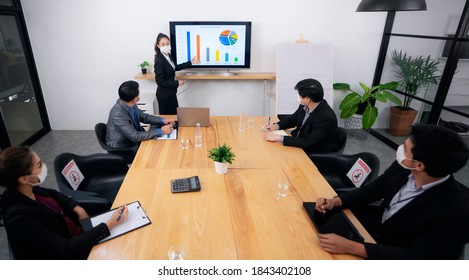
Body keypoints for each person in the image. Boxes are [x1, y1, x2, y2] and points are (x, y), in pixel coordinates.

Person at [315, 124, 469, 260]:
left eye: (405, 149)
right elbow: (371, 191)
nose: (399, 150)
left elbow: (417, 258)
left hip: (388, 253)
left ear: (419, 165)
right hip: (366, 231)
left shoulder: (458, 211)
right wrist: (336, 201)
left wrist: (352, 247)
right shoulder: (403, 167)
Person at [0, 146, 129, 259]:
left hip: (75, 234)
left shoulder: (29, 189)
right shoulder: (18, 216)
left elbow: (55, 194)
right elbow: (64, 249)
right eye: (39, 165)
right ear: (23, 179)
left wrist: (78, 208)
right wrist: (109, 225)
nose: (44, 166)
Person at [263, 78, 339, 154]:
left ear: (308, 99)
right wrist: (275, 126)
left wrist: (278, 137)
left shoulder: (326, 118)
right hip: (299, 144)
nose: (298, 97)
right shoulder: (305, 105)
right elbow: (292, 119)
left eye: (299, 95)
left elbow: (308, 143)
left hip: (313, 153)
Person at [106, 80, 175, 152]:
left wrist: (162, 120)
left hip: (133, 137)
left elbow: (143, 117)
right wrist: (161, 131)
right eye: (138, 95)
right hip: (123, 147)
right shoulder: (118, 115)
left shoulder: (128, 103)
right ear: (135, 99)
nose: (139, 97)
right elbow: (136, 136)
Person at [154, 33, 200, 114]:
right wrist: (177, 83)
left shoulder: (168, 56)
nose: (166, 46)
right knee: (168, 120)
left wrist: (190, 63)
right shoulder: (159, 61)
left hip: (171, 93)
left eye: (167, 44)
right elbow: (160, 82)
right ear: (158, 46)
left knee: (175, 117)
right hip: (164, 96)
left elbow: (175, 67)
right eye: (163, 44)